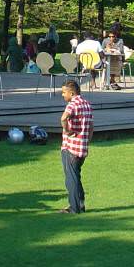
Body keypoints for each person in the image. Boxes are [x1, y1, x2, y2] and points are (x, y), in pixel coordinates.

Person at [59, 80, 93, 215]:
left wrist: (67, 130)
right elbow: (91, 127)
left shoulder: (72, 105)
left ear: (71, 93)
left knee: (70, 179)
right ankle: (81, 204)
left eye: (64, 92)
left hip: (71, 147)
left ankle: (74, 208)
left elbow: (63, 118)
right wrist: (86, 141)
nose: (62, 95)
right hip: (82, 148)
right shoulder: (87, 104)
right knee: (76, 177)